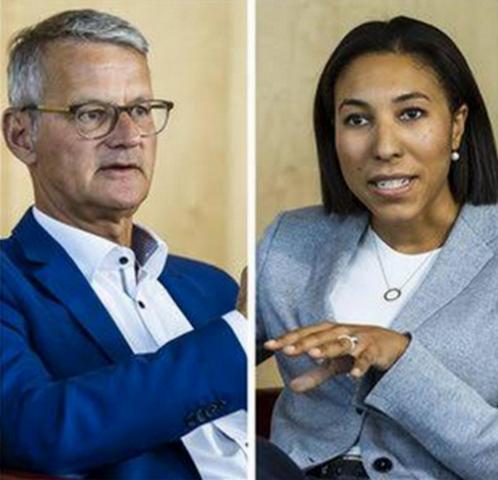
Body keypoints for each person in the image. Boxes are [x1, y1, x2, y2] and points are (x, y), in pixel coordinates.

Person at [0, 9, 247, 479]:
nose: (130, 136)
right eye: (92, 114)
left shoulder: (214, 289)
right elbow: (36, 430)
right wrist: (236, 338)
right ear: (21, 135)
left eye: (140, 110)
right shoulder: (8, 282)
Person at [257, 16, 498, 480]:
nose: (384, 146)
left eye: (411, 114)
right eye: (357, 119)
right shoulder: (289, 243)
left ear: (456, 126)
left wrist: (398, 357)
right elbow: (203, 375)